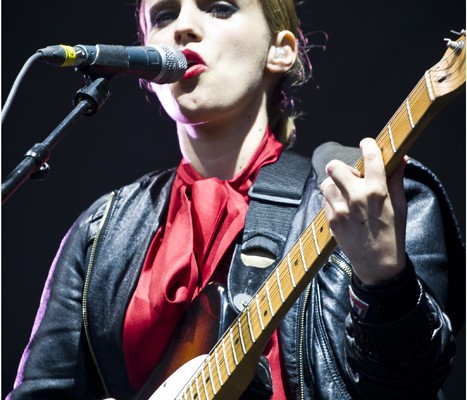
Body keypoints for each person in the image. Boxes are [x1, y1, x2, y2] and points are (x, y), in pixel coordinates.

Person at [6, 0, 464, 399]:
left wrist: (384, 283)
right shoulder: (101, 231)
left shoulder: (367, 196)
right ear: (145, 71)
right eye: (164, 15)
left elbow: (413, 385)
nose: (183, 27)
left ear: (281, 50)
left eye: (220, 7)